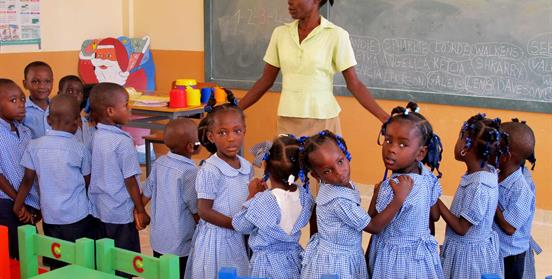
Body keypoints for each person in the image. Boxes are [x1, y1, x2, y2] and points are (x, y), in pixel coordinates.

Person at [239, 0, 388, 138]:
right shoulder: (280, 33)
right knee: (286, 165)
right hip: (288, 119)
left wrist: (384, 117)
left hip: (323, 120)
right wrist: (235, 108)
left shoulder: (336, 35)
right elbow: (266, 80)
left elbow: (354, 84)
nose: (290, 2)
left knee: (322, 166)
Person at [299, 130, 413, 279]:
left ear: (346, 155)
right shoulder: (339, 201)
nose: (339, 172)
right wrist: (399, 198)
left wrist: (375, 196)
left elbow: (363, 218)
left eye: (340, 161)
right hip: (337, 264)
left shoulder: (341, 186)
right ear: (316, 175)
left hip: (332, 254)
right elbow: (373, 227)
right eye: (328, 171)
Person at [13, 94, 94, 269]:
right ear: (76, 123)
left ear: (48, 120)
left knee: (56, 257)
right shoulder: (79, 149)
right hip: (77, 216)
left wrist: (18, 205)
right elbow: (88, 182)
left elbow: (27, 180)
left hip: (50, 217)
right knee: (80, 260)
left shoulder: (34, 146)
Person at [369, 102, 444, 278]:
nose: (392, 149)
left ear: (421, 153)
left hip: (393, 261)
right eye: (388, 140)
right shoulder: (428, 176)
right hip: (421, 259)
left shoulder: (392, 187)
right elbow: (434, 215)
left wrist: (376, 194)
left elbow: (373, 224)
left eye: (402, 145)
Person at [185, 90, 253, 278]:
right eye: (222, 132)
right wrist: (236, 224)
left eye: (237, 131)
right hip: (217, 239)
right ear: (211, 136)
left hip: (238, 236)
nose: (231, 138)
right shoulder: (210, 169)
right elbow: (204, 211)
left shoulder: (247, 167)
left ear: (244, 131)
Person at [87, 82, 150, 277]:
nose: (129, 109)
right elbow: (130, 180)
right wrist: (141, 210)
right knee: (125, 263)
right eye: (125, 105)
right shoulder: (123, 141)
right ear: (110, 111)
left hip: (98, 209)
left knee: (105, 261)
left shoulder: (93, 136)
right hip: (120, 212)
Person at [232, 135, 315, 278]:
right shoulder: (305, 196)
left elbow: (240, 225)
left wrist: (252, 195)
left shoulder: (264, 201)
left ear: (266, 166)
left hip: (267, 266)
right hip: (294, 260)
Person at [437, 113, 504, 278]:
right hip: (471, 249)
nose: (457, 141)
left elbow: (461, 228)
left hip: (467, 259)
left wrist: (436, 201)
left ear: (465, 148)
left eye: (461, 137)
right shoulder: (487, 172)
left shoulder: (479, 186)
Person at [140, 118, 201, 278]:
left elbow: (146, 192)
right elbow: (196, 208)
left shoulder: (159, 163)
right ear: (190, 147)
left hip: (159, 240)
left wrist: (139, 211)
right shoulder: (190, 172)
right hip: (181, 245)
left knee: (162, 274)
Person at [0, 79, 40, 259]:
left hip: (25, 201)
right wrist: (18, 203)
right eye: (13, 100)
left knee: (29, 252)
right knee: (12, 256)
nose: (21, 105)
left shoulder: (25, 132)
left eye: (22, 99)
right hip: (6, 202)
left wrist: (31, 203)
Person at [494, 120, 538, 279]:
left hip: (511, 256)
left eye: (496, 146)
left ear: (506, 156)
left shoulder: (522, 188)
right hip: (496, 250)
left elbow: (509, 228)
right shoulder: (496, 175)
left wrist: (492, 203)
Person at [58, 75, 96, 150]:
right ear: (59, 94)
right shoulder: (57, 123)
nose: (75, 95)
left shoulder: (86, 123)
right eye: (70, 91)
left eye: (80, 92)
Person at [22, 61, 53, 139]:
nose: (42, 86)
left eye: (47, 81)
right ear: (25, 84)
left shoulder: (58, 107)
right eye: (35, 81)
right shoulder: (21, 110)